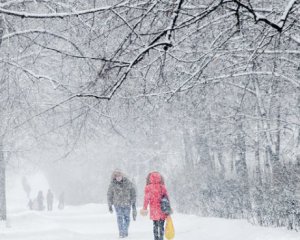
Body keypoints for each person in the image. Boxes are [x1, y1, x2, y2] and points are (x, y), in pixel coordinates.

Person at [141, 171, 171, 240]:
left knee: (155, 225)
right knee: (161, 226)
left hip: (154, 210)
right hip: (162, 209)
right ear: (160, 178)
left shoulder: (148, 187)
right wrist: (168, 208)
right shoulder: (162, 187)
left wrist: (144, 208)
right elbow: (167, 198)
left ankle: (156, 238)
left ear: (150, 178)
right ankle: (161, 238)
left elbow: (146, 199)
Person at [107, 169, 137, 238]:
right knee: (119, 218)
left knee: (127, 218)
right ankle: (121, 232)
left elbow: (133, 192)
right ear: (114, 177)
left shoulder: (128, 183)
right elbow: (109, 195)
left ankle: (125, 231)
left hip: (127, 204)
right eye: (117, 176)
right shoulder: (112, 185)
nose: (118, 177)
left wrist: (133, 201)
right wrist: (110, 205)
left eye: (119, 175)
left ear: (122, 175)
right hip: (117, 204)